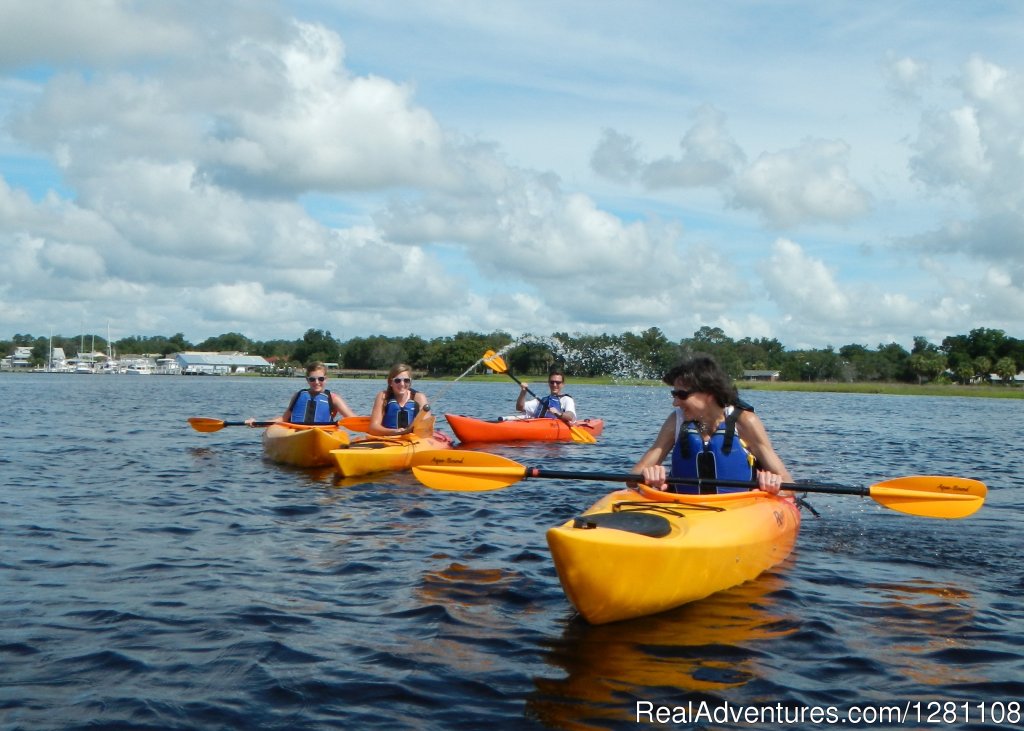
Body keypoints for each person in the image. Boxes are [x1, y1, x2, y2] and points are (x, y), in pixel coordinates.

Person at [632, 354, 791, 495]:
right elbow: (632, 479)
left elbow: (789, 486)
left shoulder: (745, 422)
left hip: (739, 510)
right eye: (674, 394)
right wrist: (650, 477)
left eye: (682, 395)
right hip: (687, 510)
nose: (675, 403)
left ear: (709, 393)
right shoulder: (676, 421)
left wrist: (773, 485)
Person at [275, 361, 357, 424]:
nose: (316, 382)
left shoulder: (334, 399)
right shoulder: (298, 396)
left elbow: (352, 419)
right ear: (307, 380)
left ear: (326, 379)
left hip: (323, 432)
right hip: (297, 431)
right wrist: (269, 425)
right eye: (312, 379)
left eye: (320, 379)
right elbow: (284, 418)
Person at [368, 363, 430, 436]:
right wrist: (394, 432)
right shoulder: (383, 397)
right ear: (390, 382)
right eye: (397, 380)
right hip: (389, 440)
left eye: (406, 380)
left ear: (410, 382)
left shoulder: (419, 398)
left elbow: (427, 428)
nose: (402, 384)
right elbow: (373, 428)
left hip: (413, 441)